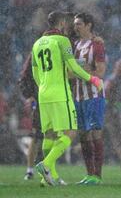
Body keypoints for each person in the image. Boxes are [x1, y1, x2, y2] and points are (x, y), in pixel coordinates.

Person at [31, 11, 103, 186]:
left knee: (49, 134)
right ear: (62, 23)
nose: (71, 25)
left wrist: (44, 86)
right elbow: (73, 67)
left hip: (43, 93)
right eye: (69, 22)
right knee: (70, 132)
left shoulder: (37, 43)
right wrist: (92, 79)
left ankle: (49, 178)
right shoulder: (62, 41)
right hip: (60, 94)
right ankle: (46, 165)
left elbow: (35, 73)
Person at [72, 13, 106, 185]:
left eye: (79, 24)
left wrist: (83, 72)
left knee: (95, 133)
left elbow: (100, 72)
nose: (75, 26)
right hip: (78, 96)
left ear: (89, 25)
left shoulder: (97, 45)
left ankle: (97, 176)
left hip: (94, 96)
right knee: (83, 135)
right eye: (75, 24)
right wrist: (79, 71)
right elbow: (70, 73)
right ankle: (89, 173)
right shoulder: (76, 45)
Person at [19, 54, 43, 181]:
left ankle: (47, 169)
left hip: (50, 97)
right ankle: (30, 170)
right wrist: (29, 95)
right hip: (39, 98)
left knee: (46, 135)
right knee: (36, 135)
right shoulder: (35, 53)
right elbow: (23, 77)